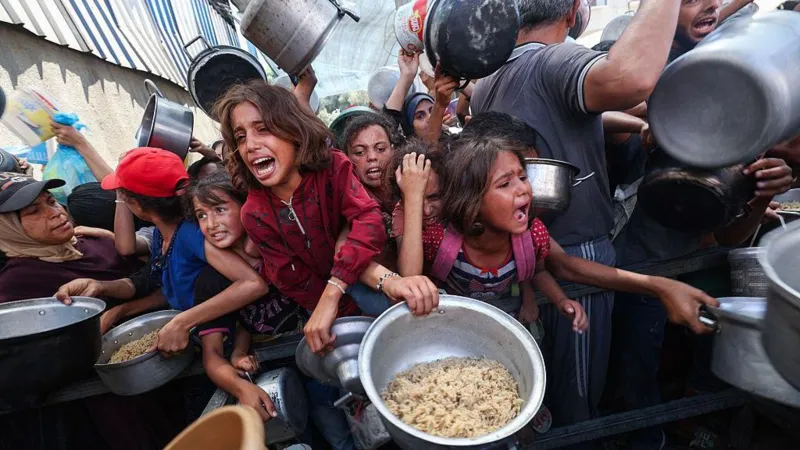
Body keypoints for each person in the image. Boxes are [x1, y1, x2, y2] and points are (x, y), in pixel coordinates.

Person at [470, 0, 686, 427]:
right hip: (575, 259)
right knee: (578, 402)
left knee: (534, 395)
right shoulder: (558, 57)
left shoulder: (487, 83)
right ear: (572, 11)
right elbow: (633, 76)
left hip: (525, 263)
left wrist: (631, 123)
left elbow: (561, 118)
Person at [215, 78, 439, 450]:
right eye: (240, 137)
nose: (251, 144)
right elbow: (295, 281)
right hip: (328, 326)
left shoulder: (333, 170)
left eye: (263, 129)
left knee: (414, 398)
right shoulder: (256, 213)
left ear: (292, 131)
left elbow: (367, 224)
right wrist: (341, 281)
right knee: (332, 412)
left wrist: (342, 286)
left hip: (366, 307)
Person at [57, 147, 270, 356]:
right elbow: (173, 291)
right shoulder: (162, 235)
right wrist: (117, 308)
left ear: (137, 205)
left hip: (220, 340)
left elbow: (252, 284)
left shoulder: (191, 234)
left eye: (124, 197)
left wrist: (183, 321)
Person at [186, 172, 307, 422]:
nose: (210, 224)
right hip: (274, 373)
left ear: (245, 206)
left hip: (316, 347)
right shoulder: (212, 280)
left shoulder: (278, 243)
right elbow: (212, 354)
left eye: (220, 209)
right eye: (201, 215)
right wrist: (241, 385)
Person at [0, 173, 140, 310]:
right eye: (34, 211)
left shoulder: (96, 239)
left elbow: (148, 280)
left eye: (52, 201)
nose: (56, 212)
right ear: (9, 227)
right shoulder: (18, 282)